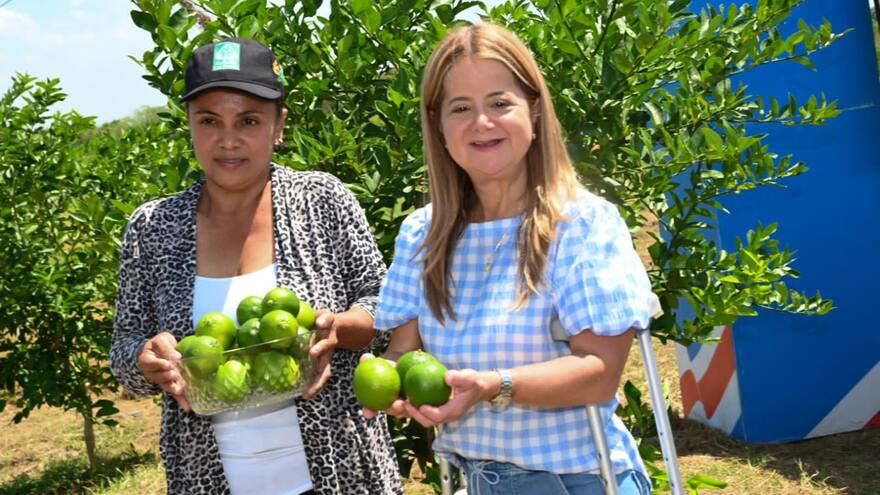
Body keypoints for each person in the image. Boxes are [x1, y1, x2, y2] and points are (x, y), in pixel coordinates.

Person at [367, 23, 657, 494]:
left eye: (500, 103)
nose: (482, 123)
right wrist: (397, 389)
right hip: (477, 479)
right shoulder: (423, 234)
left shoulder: (581, 225)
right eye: (460, 108)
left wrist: (492, 385)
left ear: (535, 112)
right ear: (438, 127)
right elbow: (404, 353)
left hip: (576, 480)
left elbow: (600, 374)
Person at [109, 38, 402, 495]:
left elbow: (385, 308)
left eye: (248, 120)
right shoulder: (153, 227)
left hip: (341, 472)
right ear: (189, 124)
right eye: (209, 120)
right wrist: (146, 360)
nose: (228, 139)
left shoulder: (322, 200)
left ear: (279, 124)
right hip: (208, 480)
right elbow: (124, 349)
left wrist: (337, 330)